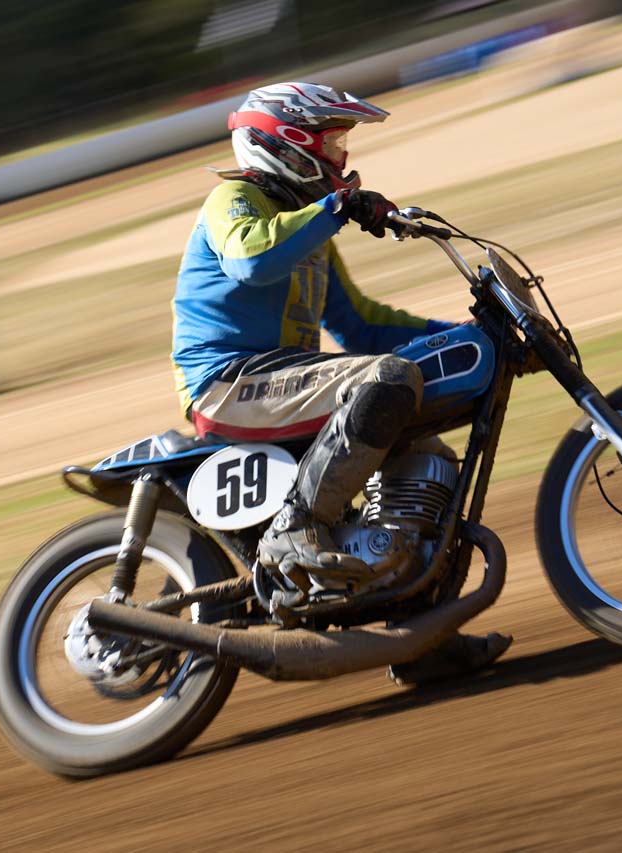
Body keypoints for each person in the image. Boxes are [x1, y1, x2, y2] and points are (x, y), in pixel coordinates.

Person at [170, 82, 509, 683]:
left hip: (282, 381)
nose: (342, 157)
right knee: (391, 377)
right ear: (286, 143)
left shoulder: (311, 232)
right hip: (228, 386)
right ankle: (295, 529)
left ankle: (418, 635)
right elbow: (249, 259)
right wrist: (336, 208)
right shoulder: (235, 200)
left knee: (426, 452)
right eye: (331, 143)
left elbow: (361, 324)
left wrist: (470, 333)